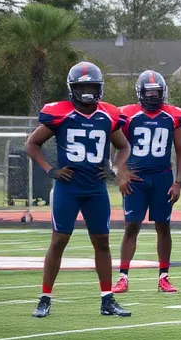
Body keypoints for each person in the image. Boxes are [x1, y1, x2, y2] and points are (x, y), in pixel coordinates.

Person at [26, 62, 133, 318]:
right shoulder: (60, 114)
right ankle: (45, 298)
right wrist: (50, 170)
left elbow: (124, 147)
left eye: (91, 86)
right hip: (68, 188)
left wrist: (116, 169)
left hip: (95, 189)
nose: (87, 91)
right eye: (82, 86)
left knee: (102, 242)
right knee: (59, 240)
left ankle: (107, 299)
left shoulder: (108, 115)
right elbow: (32, 144)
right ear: (72, 88)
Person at [113, 70, 181, 294]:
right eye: (148, 92)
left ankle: (164, 277)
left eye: (156, 92)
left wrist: (178, 181)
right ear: (140, 93)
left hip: (162, 176)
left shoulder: (172, 116)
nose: (152, 96)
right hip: (136, 177)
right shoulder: (127, 115)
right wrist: (121, 172)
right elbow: (117, 146)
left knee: (163, 226)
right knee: (131, 226)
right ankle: (123, 277)